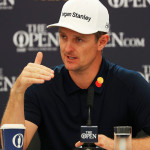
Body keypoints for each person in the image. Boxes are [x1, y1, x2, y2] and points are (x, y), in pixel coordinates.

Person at [1, 0, 150, 149]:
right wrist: (17, 91)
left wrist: (119, 145)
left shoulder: (129, 84)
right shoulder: (43, 85)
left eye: (78, 39)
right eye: (63, 37)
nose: (67, 48)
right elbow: (12, 147)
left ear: (102, 42)